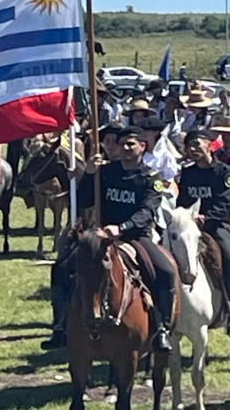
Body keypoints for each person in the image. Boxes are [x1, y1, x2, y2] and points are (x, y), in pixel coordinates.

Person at [79, 126, 178, 351]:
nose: (125, 147)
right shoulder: (106, 172)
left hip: (135, 237)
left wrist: (122, 227)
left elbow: (147, 212)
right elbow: (85, 200)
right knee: (65, 266)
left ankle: (162, 328)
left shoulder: (151, 178)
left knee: (165, 271)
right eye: (121, 143)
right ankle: (63, 324)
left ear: (143, 147)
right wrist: (89, 173)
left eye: (130, 143)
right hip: (102, 236)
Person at [177, 130, 230, 333]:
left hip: (216, 226)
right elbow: (183, 201)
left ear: (209, 145)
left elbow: (224, 202)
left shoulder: (224, 173)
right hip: (189, 227)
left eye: (197, 144)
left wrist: (206, 219)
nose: (193, 149)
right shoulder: (188, 173)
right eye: (189, 146)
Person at [138, 117, 180, 183]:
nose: (143, 132)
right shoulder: (138, 153)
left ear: (156, 132)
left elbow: (169, 179)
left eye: (146, 130)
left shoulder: (166, 156)